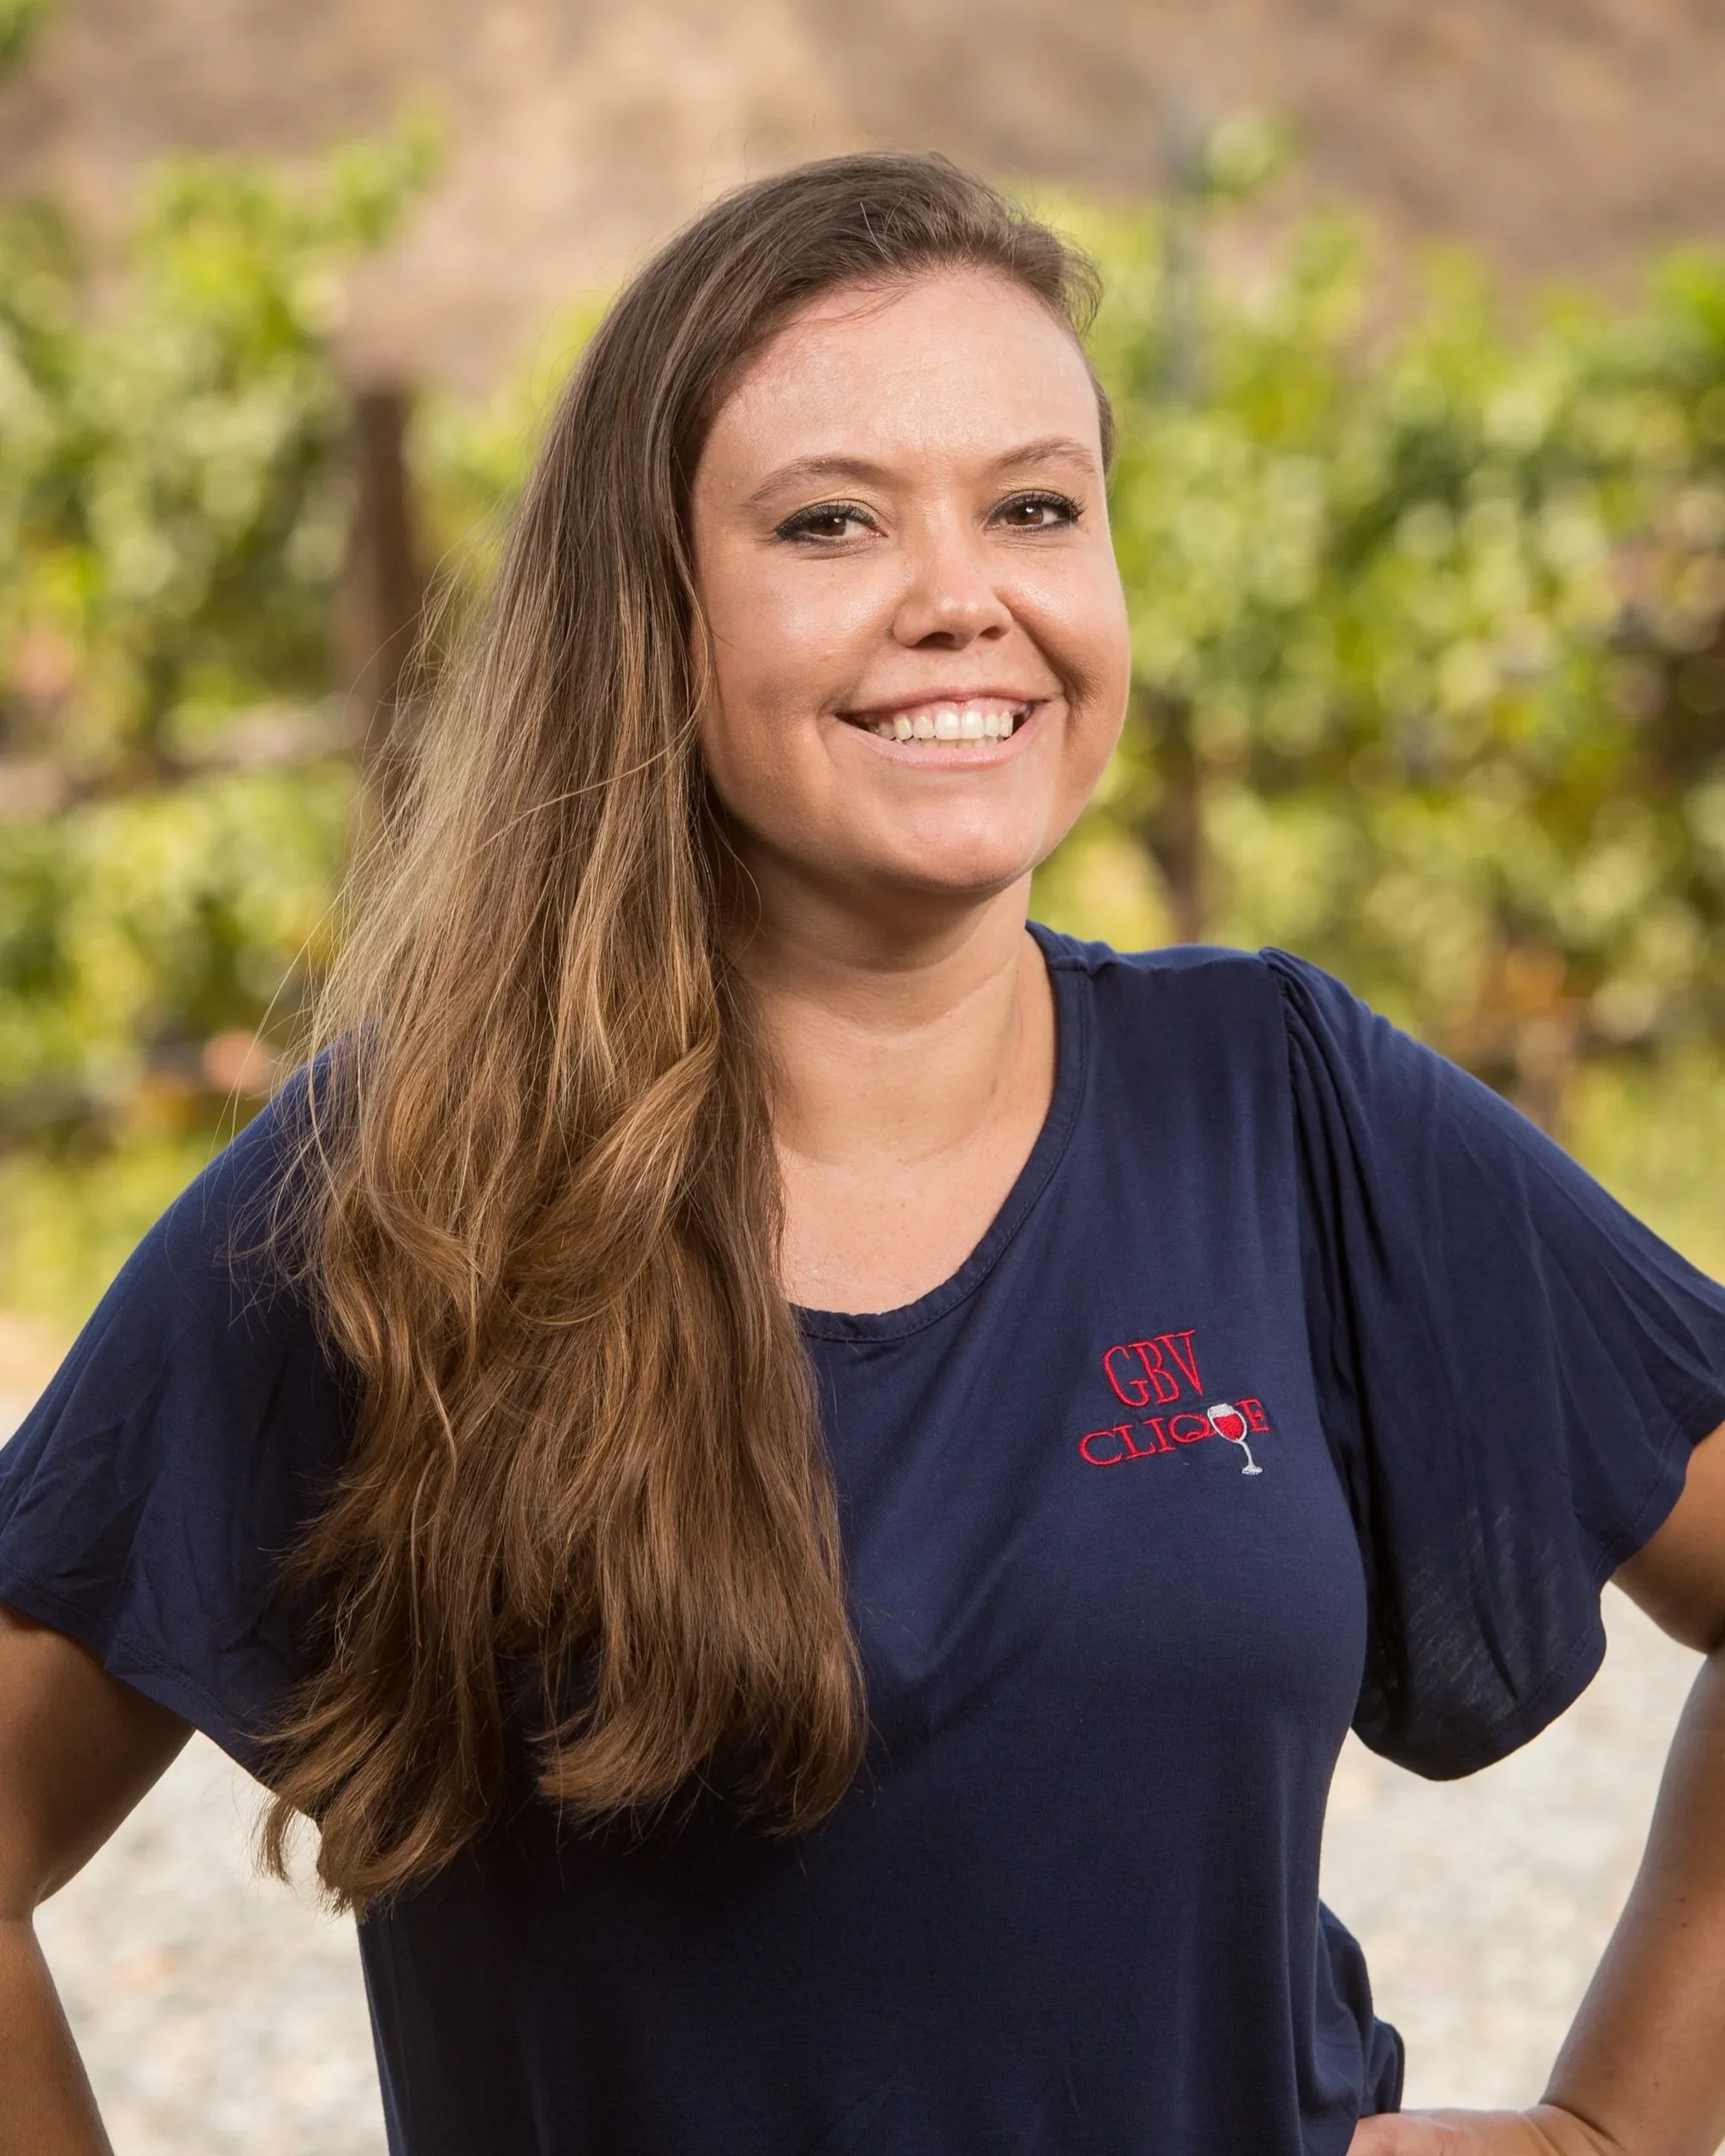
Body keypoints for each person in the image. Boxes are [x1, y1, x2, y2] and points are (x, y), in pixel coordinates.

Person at [1, 150, 1723, 2156]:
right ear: (654, 612)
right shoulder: (407, 1196)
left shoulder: (1278, 1098)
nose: (962, 599)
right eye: (832, 522)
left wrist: (1617, 2128)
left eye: (1036, 508)